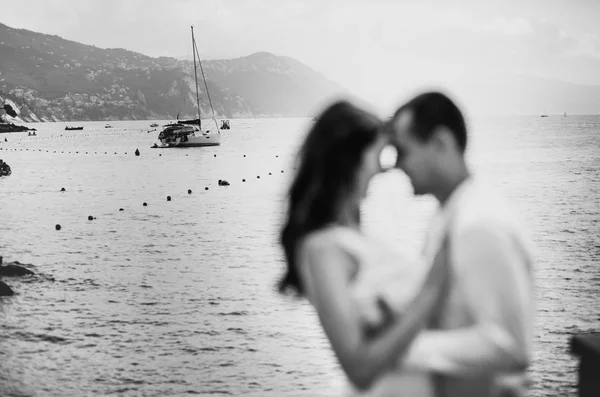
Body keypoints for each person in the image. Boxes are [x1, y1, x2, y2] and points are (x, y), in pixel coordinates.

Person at [278, 100, 450, 396]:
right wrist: (431, 291)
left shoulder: (353, 235)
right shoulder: (323, 248)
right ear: (352, 159)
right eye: (378, 155)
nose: (383, 169)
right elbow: (358, 368)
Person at [385, 91, 535, 396]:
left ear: (440, 143)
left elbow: (509, 345)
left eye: (402, 150)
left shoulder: (479, 224)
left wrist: (403, 350)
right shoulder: (449, 214)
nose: (397, 164)